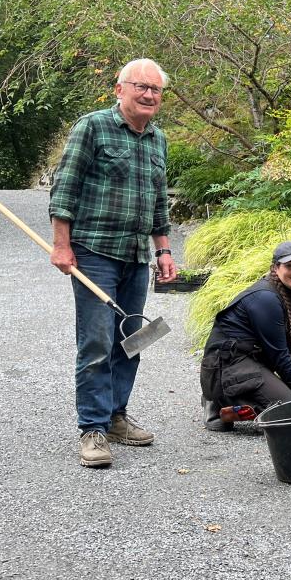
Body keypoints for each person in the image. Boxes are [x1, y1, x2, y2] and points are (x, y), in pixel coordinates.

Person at [49, 58, 176, 469]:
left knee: (131, 340)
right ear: (119, 89)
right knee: (97, 341)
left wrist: (164, 249)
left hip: (136, 257)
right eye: (141, 86)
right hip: (94, 253)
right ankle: (93, 428)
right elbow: (65, 186)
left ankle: (117, 416)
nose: (149, 95)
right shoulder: (93, 127)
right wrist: (61, 245)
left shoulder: (157, 139)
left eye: (155, 90)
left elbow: (159, 201)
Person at [199, 240, 291, 432]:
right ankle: (218, 401)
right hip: (227, 368)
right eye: (290, 266)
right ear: (275, 268)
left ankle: (280, 394)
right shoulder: (265, 298)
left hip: (254, 360)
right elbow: (280, 356)